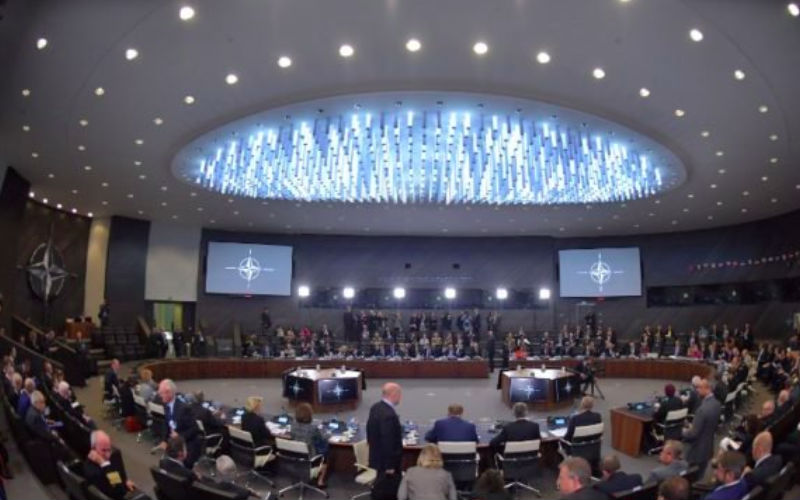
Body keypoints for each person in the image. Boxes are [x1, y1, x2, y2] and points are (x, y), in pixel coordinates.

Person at [157, 379, 201, 468]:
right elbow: (166, 423)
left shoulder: (184, 409)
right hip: (174, 445)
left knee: (181, 471)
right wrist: (164, 440)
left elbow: (194, 429)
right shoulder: (166, 405)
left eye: (161, 393)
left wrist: (179, 436)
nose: (160, 396)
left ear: (169, 393)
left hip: (187, 445)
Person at [682, 378, 721, 477]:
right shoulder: (717, 404)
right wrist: (693, 425)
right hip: (708, 447)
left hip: (696, 451)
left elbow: (693, 434)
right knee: (700, 475)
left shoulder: (702, 410)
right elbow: (708, 425)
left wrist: (682, 431)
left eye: (699, 387)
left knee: (689, 477)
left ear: (707, 389)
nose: (697, 390)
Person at [83, 430, 136, 500]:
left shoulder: (114, 456)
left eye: (109, 450)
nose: (108, 455)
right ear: (93, 448)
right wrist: (103, 463)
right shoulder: (91, 469)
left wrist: (124, 482)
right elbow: (119, 490)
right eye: (103, 450)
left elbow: (121, 478)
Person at [367, 382, 403, 478]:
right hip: (387, 464)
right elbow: (388, 441)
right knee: (389, 485)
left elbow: (369, 431)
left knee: (380, 483)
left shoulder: (375, 407)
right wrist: (390, 466)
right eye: (400, 394)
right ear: (394, 394)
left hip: (377, 458)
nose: (400, 397)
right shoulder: (389, 414)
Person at [291, 403, 329, 488]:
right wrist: (328, 434)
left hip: (295, 458)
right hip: (310, 459)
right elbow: (322, 439)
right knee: (325, 451)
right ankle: (320, 481)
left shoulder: (293, 425)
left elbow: (292, 437)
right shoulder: (313, 428)